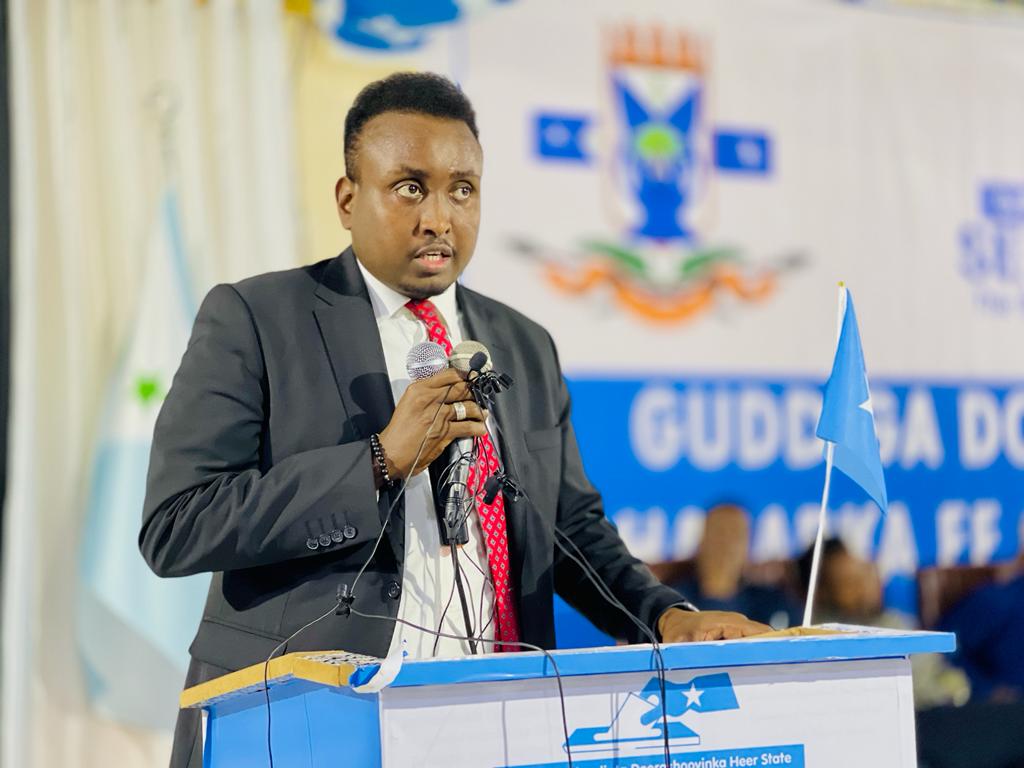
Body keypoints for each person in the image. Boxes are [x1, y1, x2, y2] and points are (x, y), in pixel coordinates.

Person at [140, 72, 770, 768]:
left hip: (492, 719)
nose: (439, 217)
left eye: (461, 189)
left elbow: (568, 527)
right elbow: (178, 524)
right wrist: (378, 462)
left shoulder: (523, 344)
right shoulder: (257, 319)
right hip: (309, 723)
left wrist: (664, 616)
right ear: (348, 199)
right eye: (410, 187)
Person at [671, 504, 797, 629]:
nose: (726, 544)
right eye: (719, 532)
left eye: (736, 534)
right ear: (701, 540)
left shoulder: (773, 603)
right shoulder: (672, 602)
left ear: (748, 545)